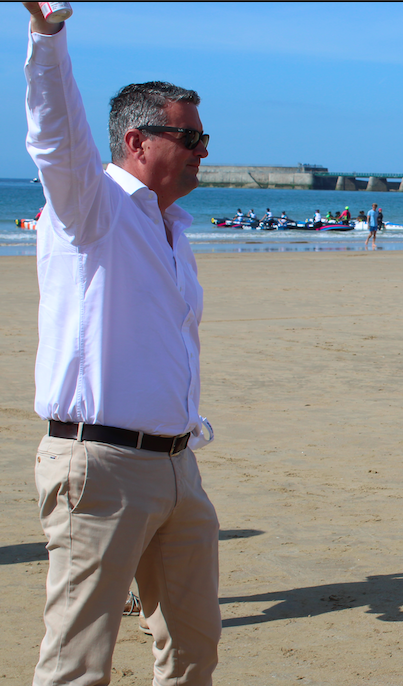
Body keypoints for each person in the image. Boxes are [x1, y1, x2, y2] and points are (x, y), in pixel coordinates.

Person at [21, 4, 221, 685]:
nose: (203, 149)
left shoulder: (173, 229)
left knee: (194, 650)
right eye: (190, 136)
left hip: (176, 466)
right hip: (99, 464)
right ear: (138, 141)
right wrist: (48, 35)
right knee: (78, 662)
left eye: (202, 136)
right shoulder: (92, 208)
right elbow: (55, 139)